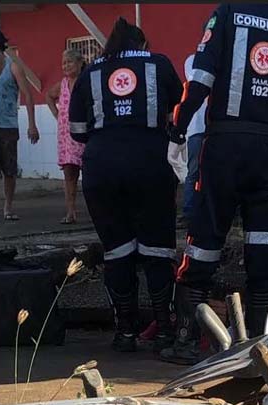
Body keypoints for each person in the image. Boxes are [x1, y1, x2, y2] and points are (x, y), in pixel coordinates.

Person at [162, 3, 268, 364]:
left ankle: (187, 339)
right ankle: (261, 346)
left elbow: (200, 81)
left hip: (224, 144)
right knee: (262, 240)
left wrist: (177, 129)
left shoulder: (227, 14)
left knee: (204, 238)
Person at [69, 18, 183, 352]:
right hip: (151, 162)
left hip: (102, 168)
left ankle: (125, 332)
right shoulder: (158, 63)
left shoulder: (90, 72)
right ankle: (164, 329)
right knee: (157, 248)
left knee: (117, 250)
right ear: (143, 45)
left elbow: (77, 130)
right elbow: (181, 108)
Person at [0, 29, 39, 223]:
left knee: (9, 170)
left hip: (7, 126)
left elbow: (27, 94)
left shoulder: (12, 67)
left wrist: (32, 124)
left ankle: (8, 207)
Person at [45, 48, 86, 224]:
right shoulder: (62, 84)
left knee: (91, 172)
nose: (66, 66)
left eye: (69, 62)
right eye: (64, 63)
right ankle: (70, 211)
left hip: (85, 133)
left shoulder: (86, 81)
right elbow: (48, 95)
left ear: (79, 63)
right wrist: (57, 114)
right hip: (67, 135)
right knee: (69, 173)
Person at [181, 52, 207, 220]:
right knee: (194, 171)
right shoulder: (192, 60)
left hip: (215, 126)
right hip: (197, 127)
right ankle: (189, 210)